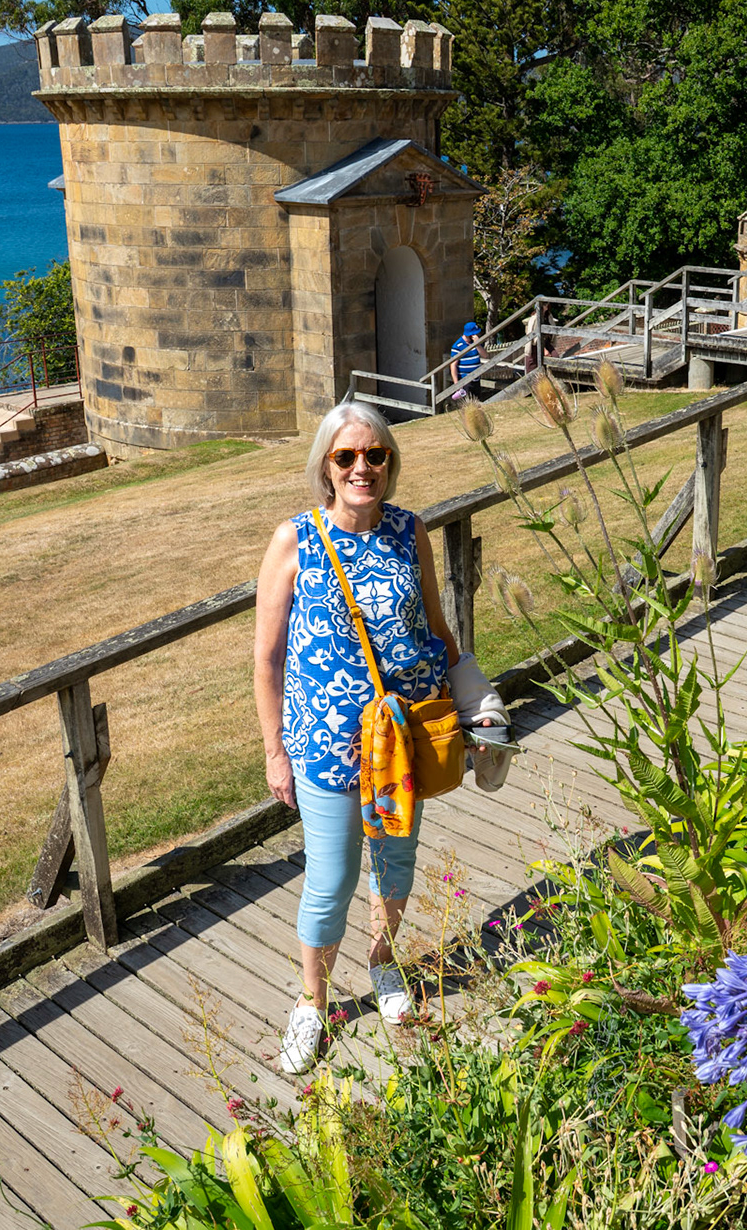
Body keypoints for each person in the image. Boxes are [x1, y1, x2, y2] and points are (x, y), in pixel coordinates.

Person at [253, 400, 457, 1074]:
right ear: (326, 466)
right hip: (325, 747)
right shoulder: (296, 540)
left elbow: (436, 629)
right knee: (332, 879)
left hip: (402, 743)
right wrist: (274, 751)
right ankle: (311, 1003)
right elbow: (267, 659)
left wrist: (476, 706)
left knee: (395, 864)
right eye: (346, 456)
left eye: (375, 455)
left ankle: (383, 963)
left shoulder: (409, 529)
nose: (361, 467)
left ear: (390, 461)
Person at [447, 321, 483, 390]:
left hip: (476, 378)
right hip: (465, 379)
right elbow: (453, 365)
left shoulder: (475, 343)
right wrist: (456, 384)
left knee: (476, 396)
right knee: (466, 396)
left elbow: (485, 355)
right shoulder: (458, 346)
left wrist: (477, 344)